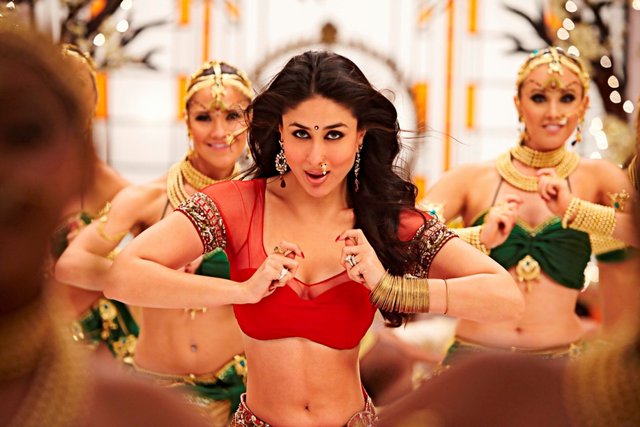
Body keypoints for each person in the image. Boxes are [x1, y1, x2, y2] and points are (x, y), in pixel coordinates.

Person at [104, 49, 523, 426]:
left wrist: (390, 288)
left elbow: (505, 297)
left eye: (334, 135)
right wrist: (243, 291)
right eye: (301, 133)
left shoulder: (385, 221)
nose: (316, 157)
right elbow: (123, 275)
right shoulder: (236, 205)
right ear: (280, 132)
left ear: (361, 135)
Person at [0, 17, 210, 427]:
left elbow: (158, 253)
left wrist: (161, 258)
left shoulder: (139, 414)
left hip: (94, 343)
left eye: (25, 134)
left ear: (81, 165)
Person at [55, 59, 253, 425]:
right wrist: (148, 273)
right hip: (156, 388)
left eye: (233, 116)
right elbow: (71, 265)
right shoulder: (150, 197)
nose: (220, 131)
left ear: (250, 120)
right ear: (186, 121)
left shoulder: (262, 203)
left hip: (236, 392)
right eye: (204, 117)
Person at [420, 46, 637, 366]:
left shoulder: (599, 178)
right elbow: (405, 243)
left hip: (561, 367)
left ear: (584, 105)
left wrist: (576, 211)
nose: (553, 112)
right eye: (539, 98)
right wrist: (481, 236)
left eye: (567, 98)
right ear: (518, 103)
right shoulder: (472, 179)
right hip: (474, 364)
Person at [49, 43, 137, 360]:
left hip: (99, 338)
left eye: (79, 83)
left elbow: (159, 251)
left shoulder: (108, 184)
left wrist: (104, 256)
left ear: (94, 101)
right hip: (28, 332)